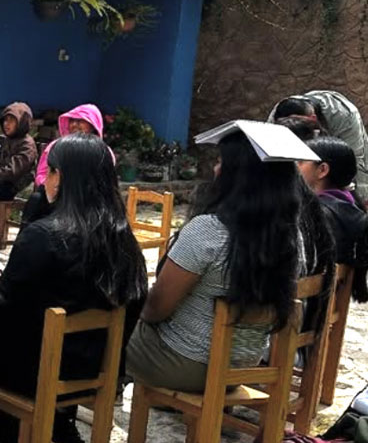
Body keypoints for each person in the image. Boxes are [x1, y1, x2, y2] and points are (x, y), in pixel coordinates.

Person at [126, 126, 334, 392]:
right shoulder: (290, 239)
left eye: (221, 161)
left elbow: (155, 309)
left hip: (185, 365)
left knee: (108, 328)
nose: (215, 169)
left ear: (239, 175)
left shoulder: (207, 230)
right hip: (243, 365)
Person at [0, 133, 147, 443]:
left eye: (50, 170)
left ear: (62, 178)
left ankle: (11, 423)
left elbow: (2, 312)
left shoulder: (44, 236)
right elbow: (137, 300)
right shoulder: (123, 240)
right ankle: (55, 424)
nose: (44, 178)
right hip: (95, 368)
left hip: (31, 370)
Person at [299, 135, 368, 302]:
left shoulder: (314, 215)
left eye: (301, 162)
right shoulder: (353, 211)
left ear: (322, 170)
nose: (295, 167)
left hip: (305, 312)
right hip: (325, 309)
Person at [21, 103, 109, 227]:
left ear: (93, 124)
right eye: (72, 120)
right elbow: (41, 174)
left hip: (87, 197)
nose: (74, 124)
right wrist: (56, 187)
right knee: (36, 200)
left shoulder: (103, 151)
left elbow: (104, 180)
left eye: (80, 121)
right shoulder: (56, 146)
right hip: (56, 193)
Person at [270, 91, 368, 197]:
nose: (297, 166)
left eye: (301, 161)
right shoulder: (276, 117)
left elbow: (355, 160)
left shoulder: (343, 115)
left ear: (313, 119)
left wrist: (363, 197)